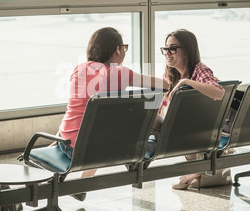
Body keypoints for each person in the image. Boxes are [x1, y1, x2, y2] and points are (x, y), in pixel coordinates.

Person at [57, 27, 168, 201]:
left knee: (88, 125)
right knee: (109, 125)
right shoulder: (119, 74)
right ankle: (142, 152)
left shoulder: (79, 69)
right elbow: (163, 84)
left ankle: (82, 182)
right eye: (125, 47)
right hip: (98, 150)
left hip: (68, 145)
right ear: (118, 49)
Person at [145, 29, 225, 190]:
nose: (167, 53)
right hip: (177, 129)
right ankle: (191, 172)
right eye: (165, 49)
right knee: (146, 110)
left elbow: (219, 92)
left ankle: (191, 172)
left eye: (172, 48)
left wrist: (186, 82)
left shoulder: (199, 70)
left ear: (187, 50)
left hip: (192, 132)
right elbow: (159, 105)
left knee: (150, 114)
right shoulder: (169, 76)